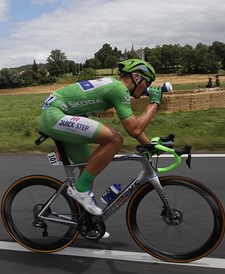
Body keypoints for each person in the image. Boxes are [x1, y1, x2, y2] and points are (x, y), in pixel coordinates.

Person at [39, 58, 163, 217]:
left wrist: (150, 147)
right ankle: (80, 191)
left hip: (59, 115)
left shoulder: (115, 87)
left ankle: (88, 222)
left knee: (89, 169)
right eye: (148, 82)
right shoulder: (119, 89)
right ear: (137, 77)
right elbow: (134, 129)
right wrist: (154, 104)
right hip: (55, 116)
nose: (149, 87)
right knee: (115, 139)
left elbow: (135, 129)